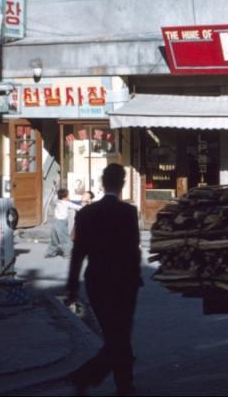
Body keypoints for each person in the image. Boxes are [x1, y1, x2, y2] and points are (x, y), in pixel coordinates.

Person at [65, 164, 142, 396]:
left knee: (114, 334)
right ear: (122, 183)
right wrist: (136, 275)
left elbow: (78, 253)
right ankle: (111, 382)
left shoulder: (86, 213)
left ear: (102, 182)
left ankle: (121, 384)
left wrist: (72, 286)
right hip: (124, 282)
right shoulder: (128, 213)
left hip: (97, 281)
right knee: (120, 334)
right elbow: (133, 250)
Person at [45, 189, 80, 258]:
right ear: (65, 196)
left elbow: (52, 198)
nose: (69, 196)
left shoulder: (57, 201)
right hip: (62, 223)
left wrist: (54, 192)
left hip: (54, 222)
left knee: (54, 238)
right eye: (68, 194)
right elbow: (78, 207)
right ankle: (67, 254)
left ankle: (50, 252)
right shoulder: (66, 203)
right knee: (65, 239)